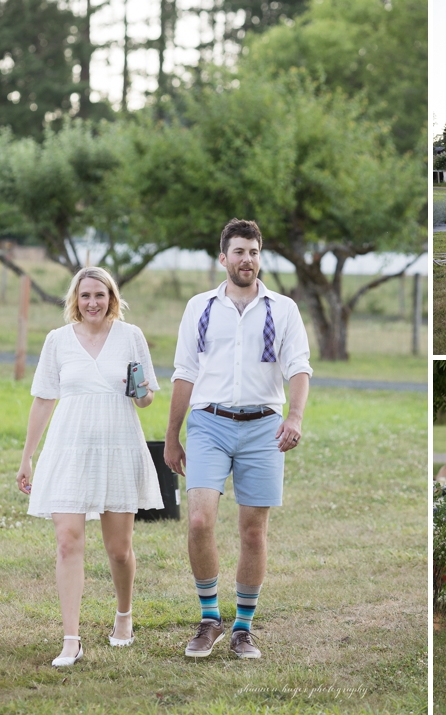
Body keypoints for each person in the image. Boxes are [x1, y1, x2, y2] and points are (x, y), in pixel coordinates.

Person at [166, 218, 313, 659]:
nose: (246, 259)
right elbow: (184, 372)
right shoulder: (200, 307)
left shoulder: (282, 308)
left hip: (263, 427)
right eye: (238, 252)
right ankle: (209, 618)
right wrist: (172, 436)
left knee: (253, 531)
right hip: (208, 423)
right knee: (199, 521)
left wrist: (296, 416)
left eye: (253, 252)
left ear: (259, 256)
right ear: (223, 258)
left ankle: (243, 629)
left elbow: (299, 367)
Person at [18, 266, 162, 667]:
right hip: (69, 449)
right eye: (85, 296)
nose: (93, 302)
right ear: (75, 301)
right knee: (67, 540)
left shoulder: (130, 336)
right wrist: (27, 455)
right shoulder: (58, 341)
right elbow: (44, 398)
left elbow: (147, 397)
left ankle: (124, 615)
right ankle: (71, 640)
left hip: (118, 446)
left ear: (111, 297)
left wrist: (140, 391)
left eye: (100, 295)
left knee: (119, 549)